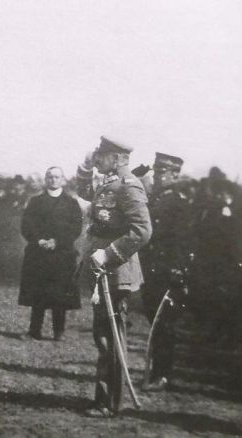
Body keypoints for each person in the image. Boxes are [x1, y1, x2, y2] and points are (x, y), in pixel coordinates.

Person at [76, 136, 151, 418]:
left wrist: (109, 254)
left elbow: (142, 231)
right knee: (103, 336)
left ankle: (109, 403)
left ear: (118, 158)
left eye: (102, 154)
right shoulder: (109, 182)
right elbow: (86, 192)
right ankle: (105, 399)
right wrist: (85, 167)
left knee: (111, 338)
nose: (98, 158)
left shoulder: (129, 185)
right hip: (103, 270)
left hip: (117, 270)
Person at [140, 152, 192, 391]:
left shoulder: (180, 203)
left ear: (175, 175)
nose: (157, 176)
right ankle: (155, 371)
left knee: (164, 324)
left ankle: (162, 375)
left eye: (162, 172)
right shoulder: (153, 199)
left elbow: (183, 240)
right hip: (150, 269)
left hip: (167, 271)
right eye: (156, 171)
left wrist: (177, 269)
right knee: (154, 320)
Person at [18, 166, 83, 341]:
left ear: (63, 180)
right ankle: (34, 331)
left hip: (62, 255)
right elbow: (26, 225)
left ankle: (58, 332)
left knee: (59, 294)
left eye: (57, 177)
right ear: (46, 179)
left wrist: (57, 242)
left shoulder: (71, 203)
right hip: (39, 254)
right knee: (38, 294)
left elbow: (76, 228)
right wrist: (38, 240)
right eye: (50, 177)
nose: (53, 180)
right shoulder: (35, 201)